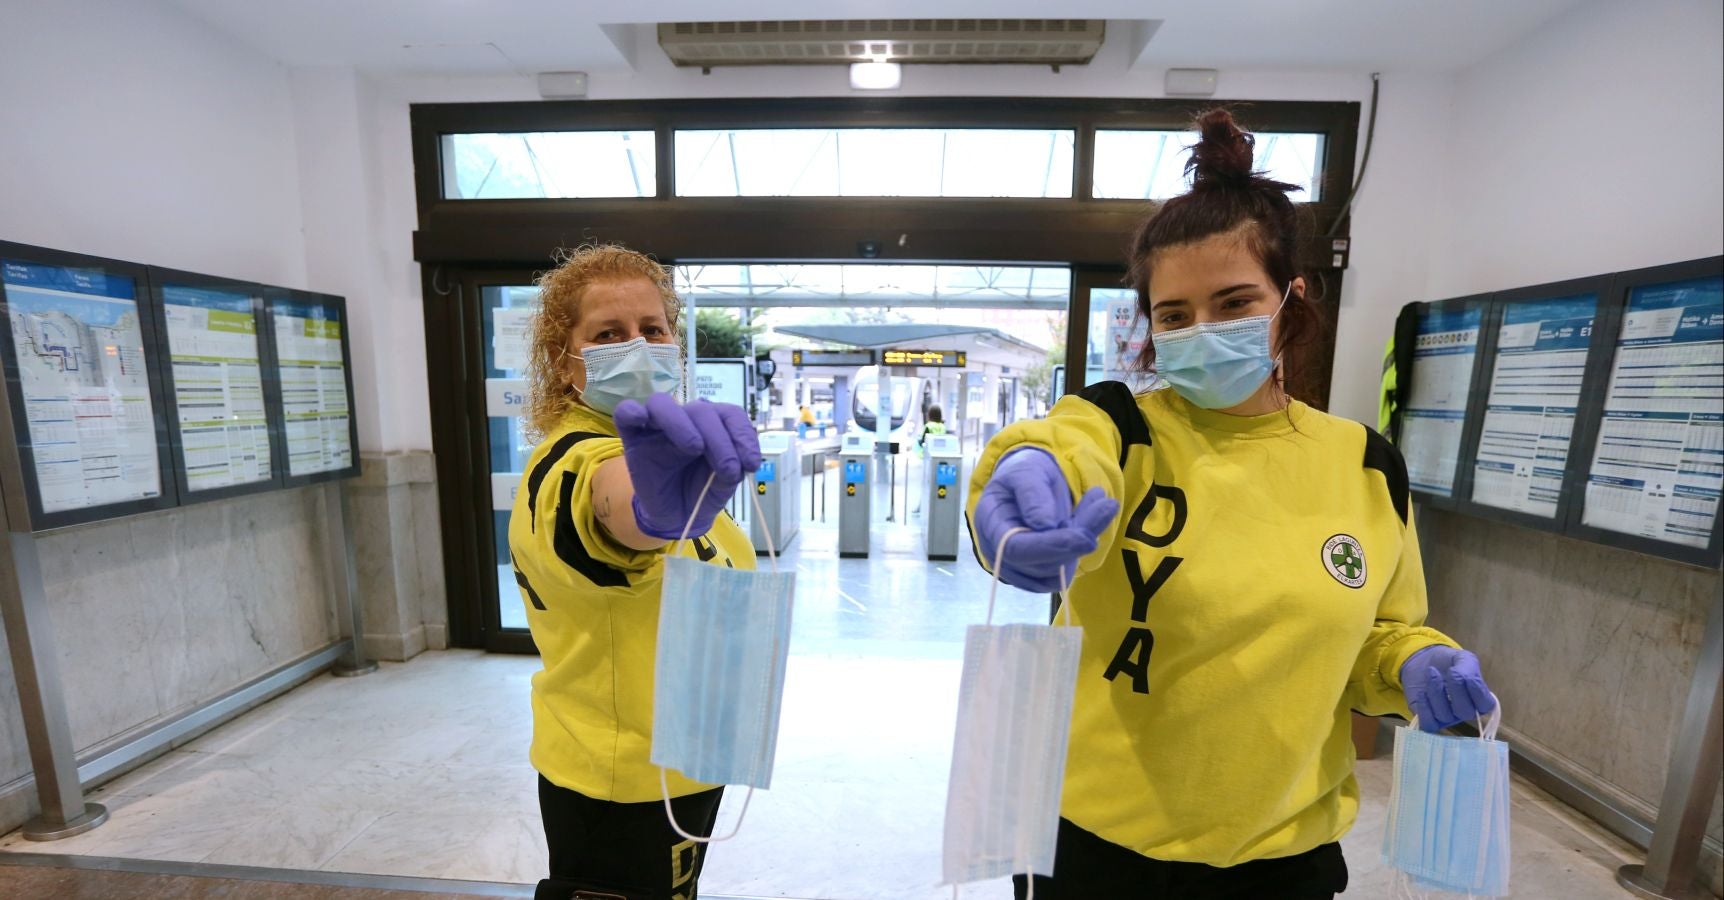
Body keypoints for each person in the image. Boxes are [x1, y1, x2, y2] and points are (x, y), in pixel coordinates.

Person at [967, 110, 1495, 900]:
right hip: (1096, 846)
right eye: (1174, 315)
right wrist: (1022, 479)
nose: (1201, 330)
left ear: (1293, 297)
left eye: (1235, 302)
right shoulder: (1120, 424)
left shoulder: (1365, 465)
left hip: (1284, 855)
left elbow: (1378, 633)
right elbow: (1060, 448)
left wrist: (1413, 661)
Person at [508, 244, 762, 900]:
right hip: (617, 786)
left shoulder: (671, 457)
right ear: (566, 364)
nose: (639, 346)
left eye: (653, 329)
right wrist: (647, 512)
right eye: (608, 334)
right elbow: (608, 509)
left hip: (684, 761)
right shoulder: (572, 461)